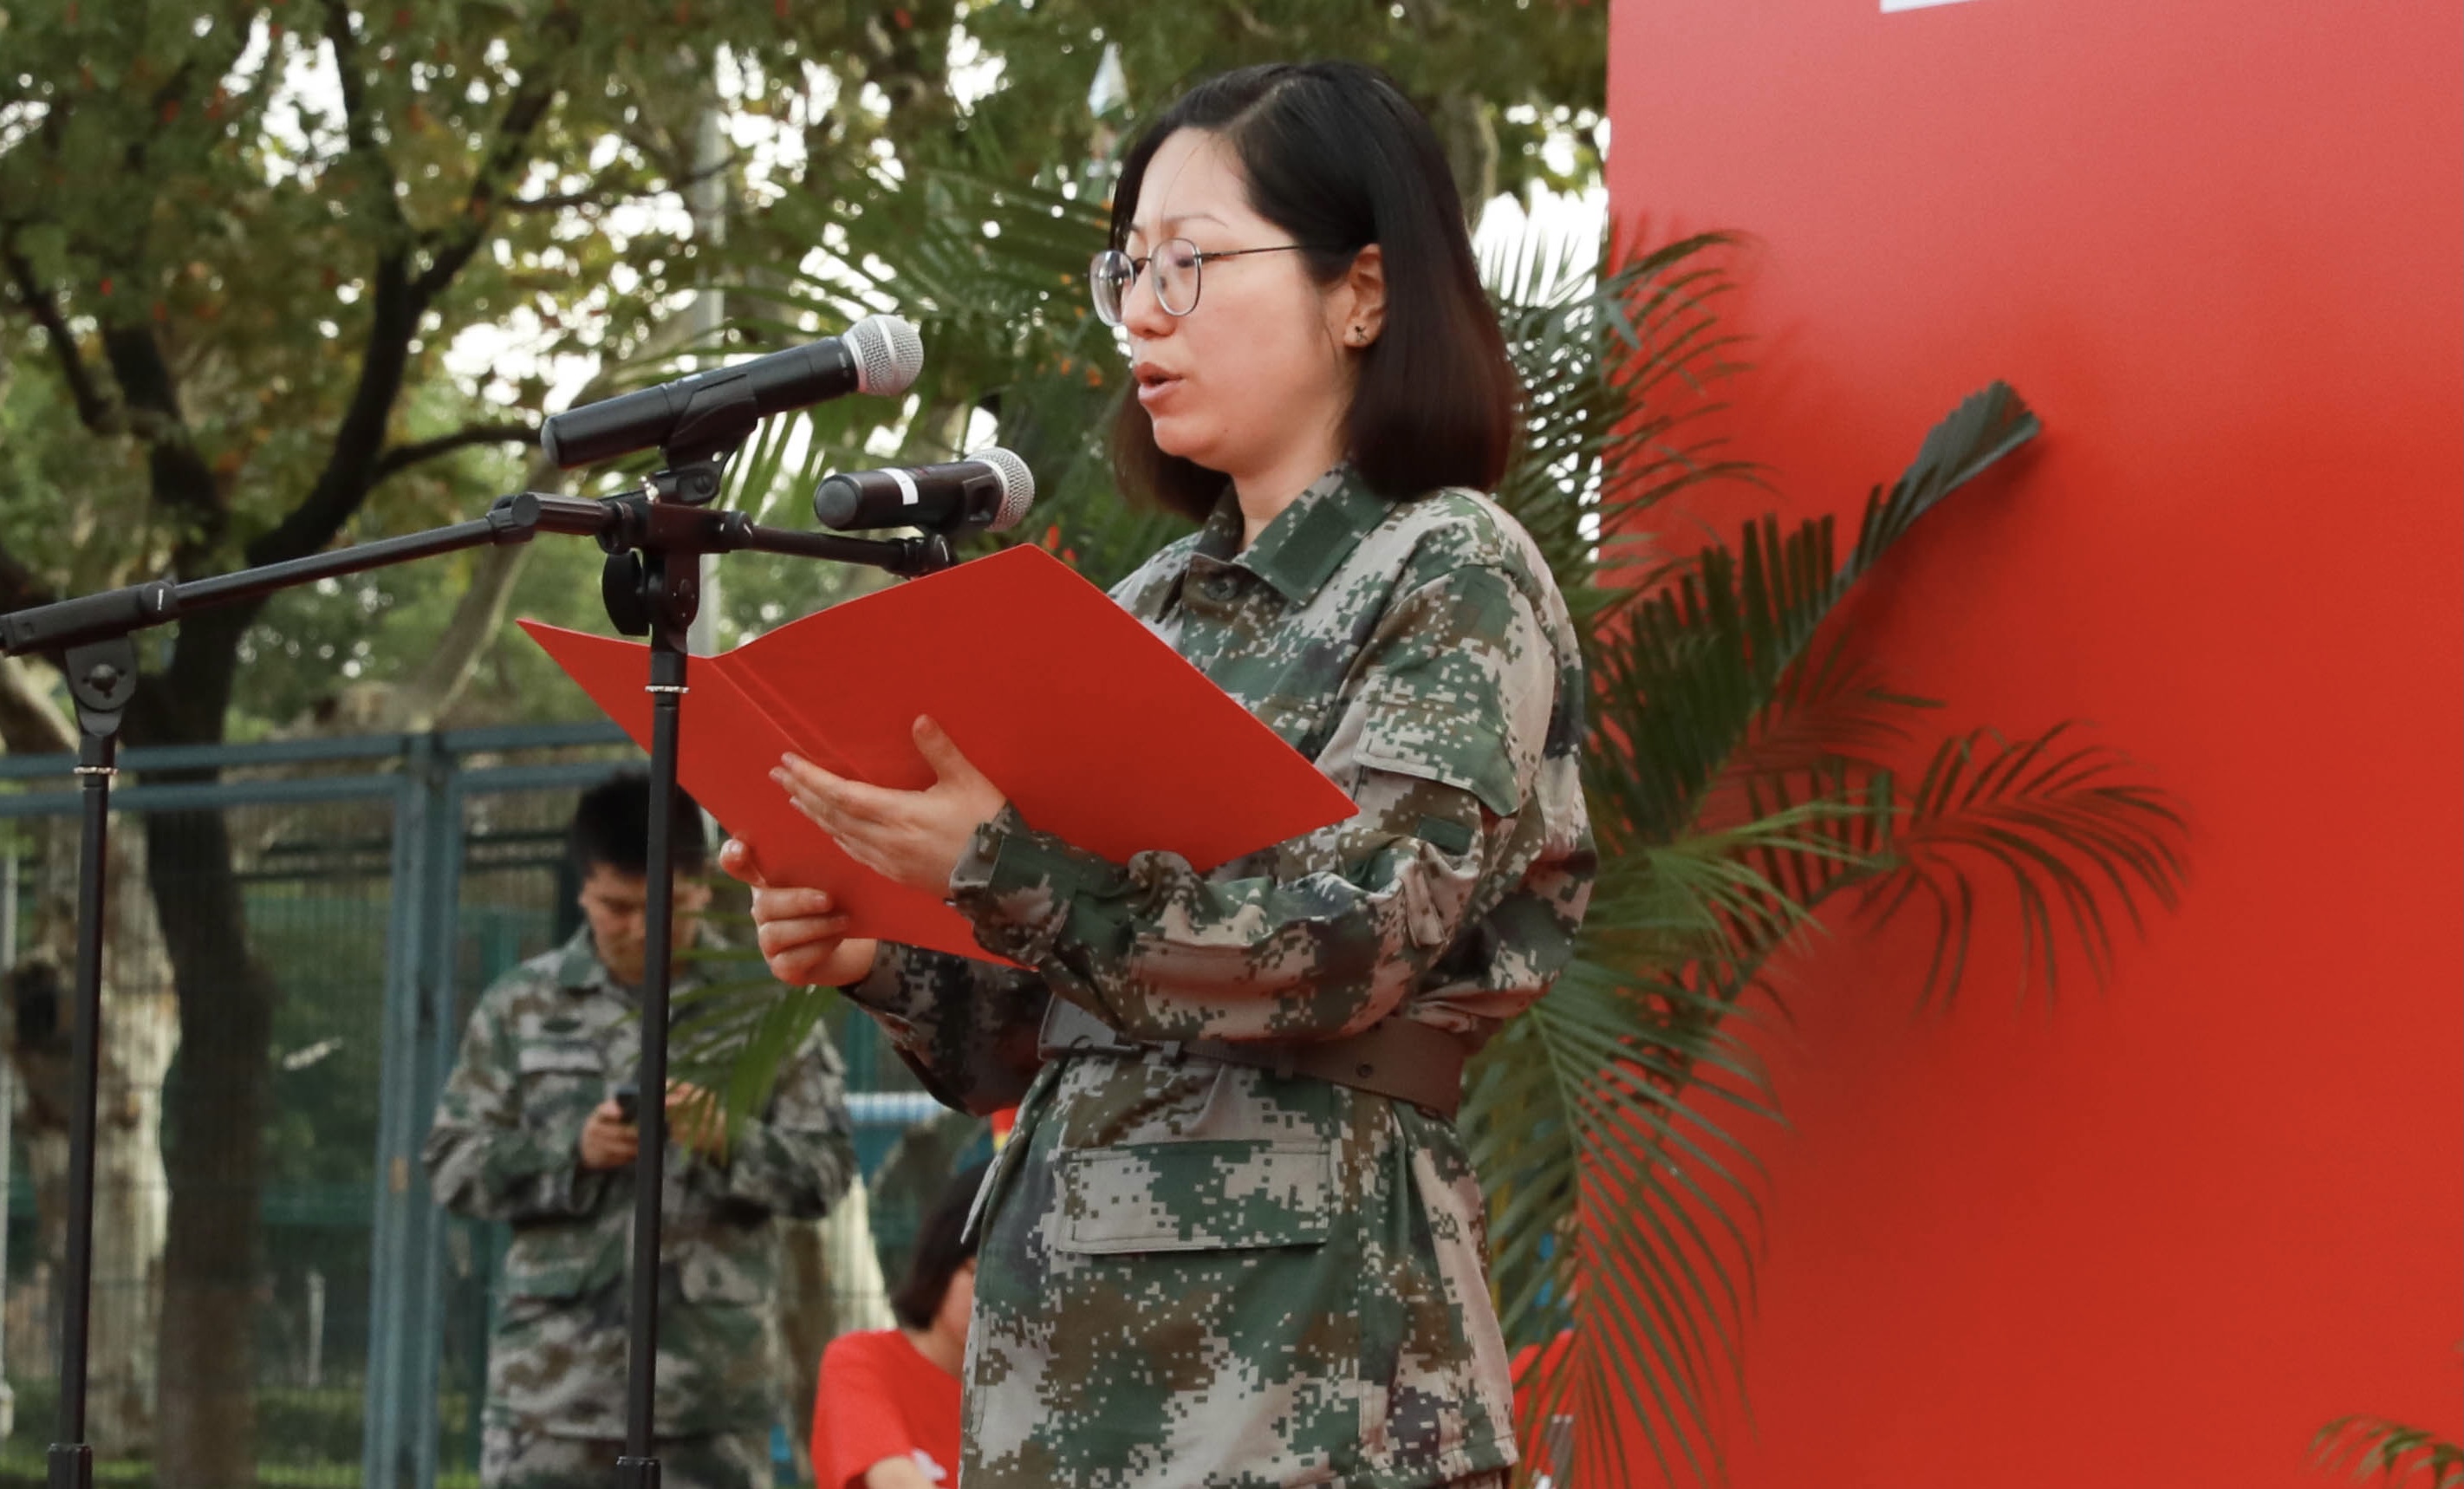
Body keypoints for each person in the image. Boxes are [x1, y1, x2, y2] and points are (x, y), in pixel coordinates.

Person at [725, 60, 1593, 1489]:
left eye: (1188, 262)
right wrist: (876, 948)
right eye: (1126, 267)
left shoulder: (1446, 568)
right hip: (1066, 1367)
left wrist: (1000, 866)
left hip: (1312, 1361)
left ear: (1361, 293)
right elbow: (1043, 1017)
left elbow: (1353, 938)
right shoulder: (1141, 612)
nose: (1140, 309)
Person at [426, 771, 858, 1489]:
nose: (639, 930)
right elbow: (451, 1164)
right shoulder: (522, 1006)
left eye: (664, 908)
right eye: (617, 908)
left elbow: (828, 1171)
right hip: (550, 1402)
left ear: (702, 888)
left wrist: (726, 1139)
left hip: (708, 1407)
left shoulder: (763, 1007)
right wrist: (572, 1152)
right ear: (583, 891)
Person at [808, 1161, 991, 1489]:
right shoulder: (862, 1361)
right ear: (941, 1259)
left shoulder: (1052, 1396)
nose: (995, 1300)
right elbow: (892, 1480)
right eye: (977, 1273)